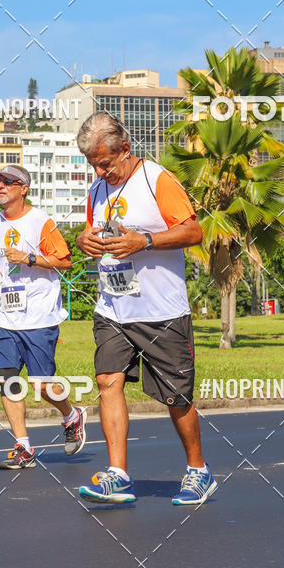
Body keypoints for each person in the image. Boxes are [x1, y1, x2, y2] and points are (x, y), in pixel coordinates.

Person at [75, 112, 217, 506]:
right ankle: (117, 475)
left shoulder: (157, 180)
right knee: (107, 381)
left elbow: (193, 231)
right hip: (113, 307)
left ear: (126, 149)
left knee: (176, 397)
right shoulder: (96, 190)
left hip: (161, 310)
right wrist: (86, 240)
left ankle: (198, 471)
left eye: (105, 162)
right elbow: (92, 233)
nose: (100, 171)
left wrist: (145, 242)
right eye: (93, 164)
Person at [0, 164, 87, 468]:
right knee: (7, 380)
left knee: (41, 384)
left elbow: (64, 261)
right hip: (6, 317)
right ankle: (23, 446)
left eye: (7, 182)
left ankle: (71, 415)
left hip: (39, 316)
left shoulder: (41, 221)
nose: (0, 186)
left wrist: (28, 257)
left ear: (23, 188)